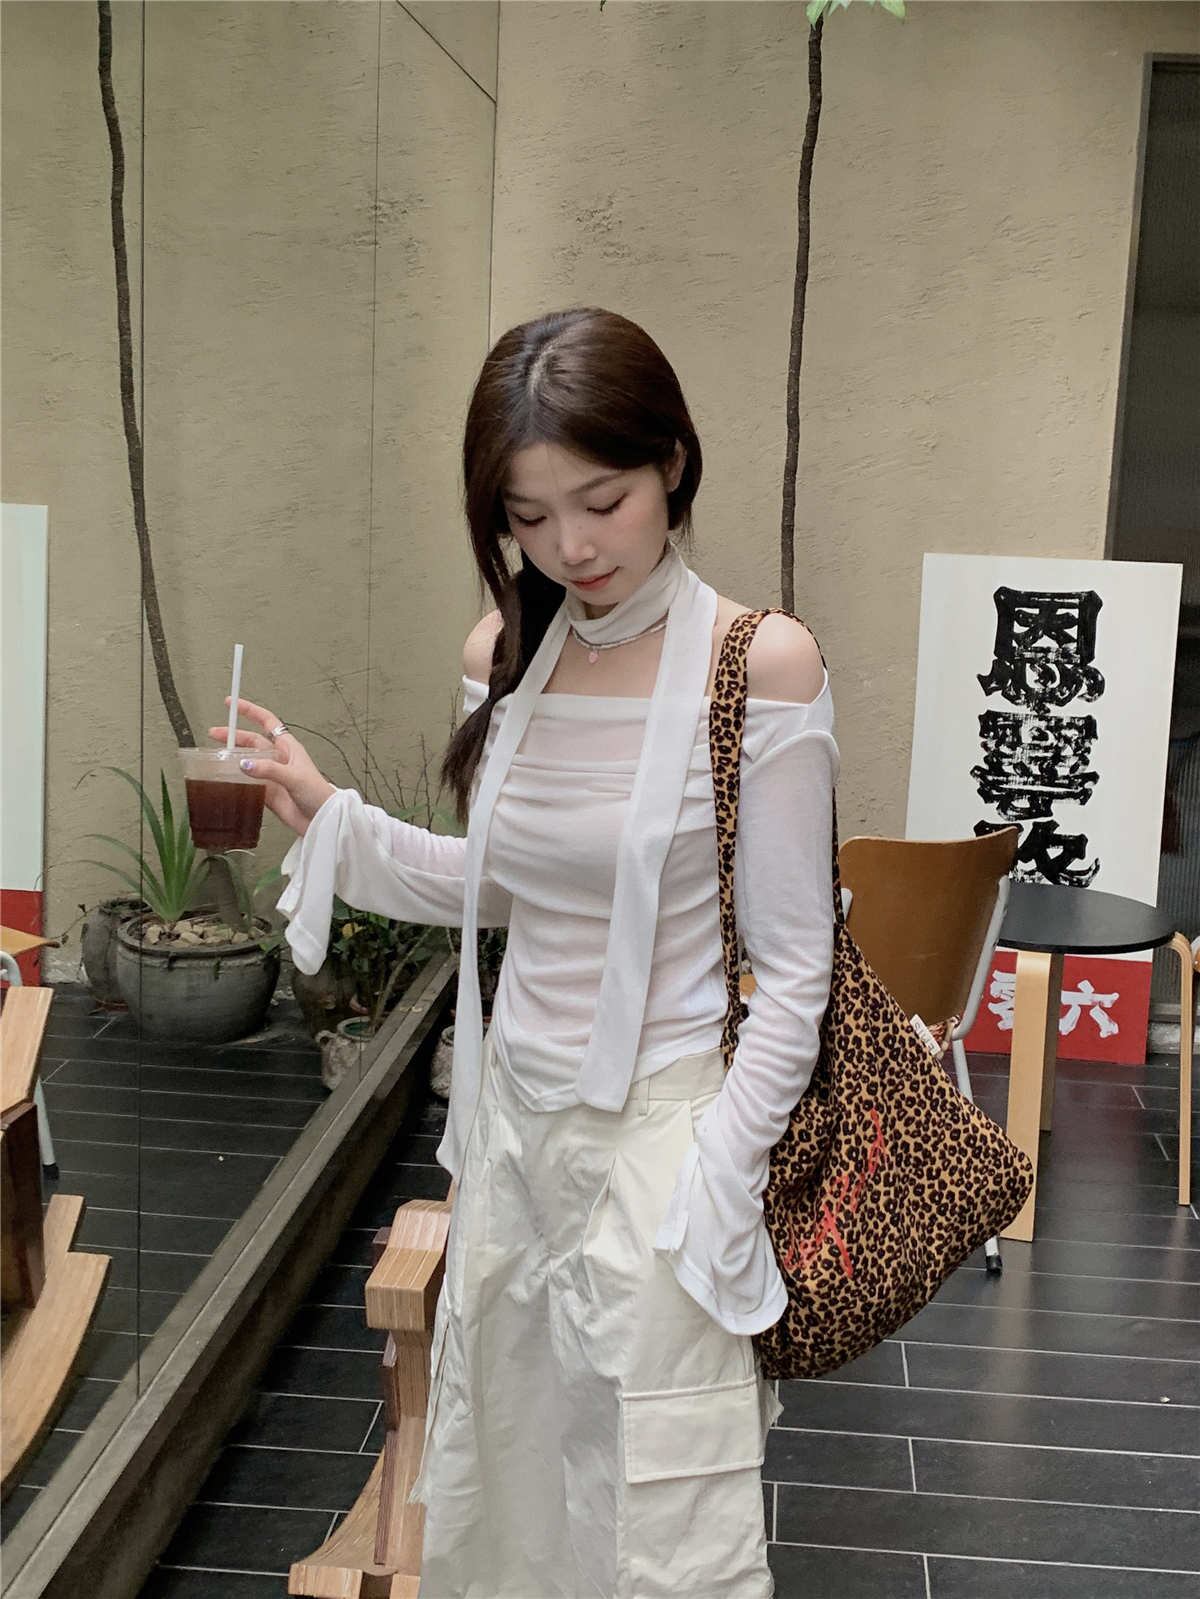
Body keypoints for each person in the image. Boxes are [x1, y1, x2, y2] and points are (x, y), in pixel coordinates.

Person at [211, 307, 838, 1599]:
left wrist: (717, 1178)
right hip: (511, 1141)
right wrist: (331, 817)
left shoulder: (759, 664)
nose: (572, 547)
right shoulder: (505, 653)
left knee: (662, 1522)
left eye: (602, 501)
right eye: (529, 516)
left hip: (667, 1139)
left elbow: (796, 970)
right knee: (510, 1490)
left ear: (672, 461)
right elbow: (500, 889)